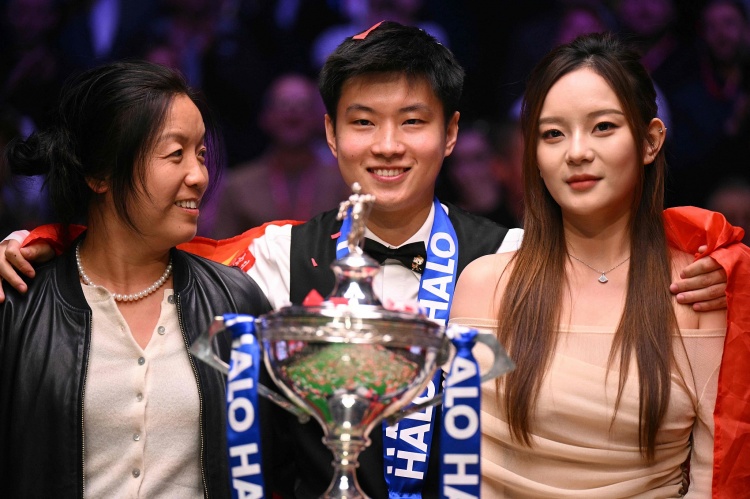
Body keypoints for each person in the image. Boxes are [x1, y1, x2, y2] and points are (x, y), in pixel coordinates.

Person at [0, 21, 734, 497]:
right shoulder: (271, 258)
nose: (387, 146)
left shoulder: (511, 263)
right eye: (362, 122)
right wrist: (43, 245)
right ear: (329, 134)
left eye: (412, 121)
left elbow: (614, 241)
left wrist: (714, 258)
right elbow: (142, 252)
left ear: (451, 133)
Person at [450, 32, 745, 497]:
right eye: (552, 134)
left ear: (650, 141)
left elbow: (717, 475)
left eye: (603, 127)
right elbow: (462, 471)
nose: (577, 152)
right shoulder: (485, 287)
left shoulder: (696, 289)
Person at [0, 60, 271, 497]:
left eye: (201, 154)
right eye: (175, 154)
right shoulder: (19, 304)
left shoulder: (235, 301)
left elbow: (277, 460)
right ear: (100, 173)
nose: (199, 176)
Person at [211, 72, 349, 239]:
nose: (293, 111)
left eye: (303, 105)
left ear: (320, 119)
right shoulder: (237, 187)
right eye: (283, 104)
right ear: (266, 117)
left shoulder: (344, 184)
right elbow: (220, 250)